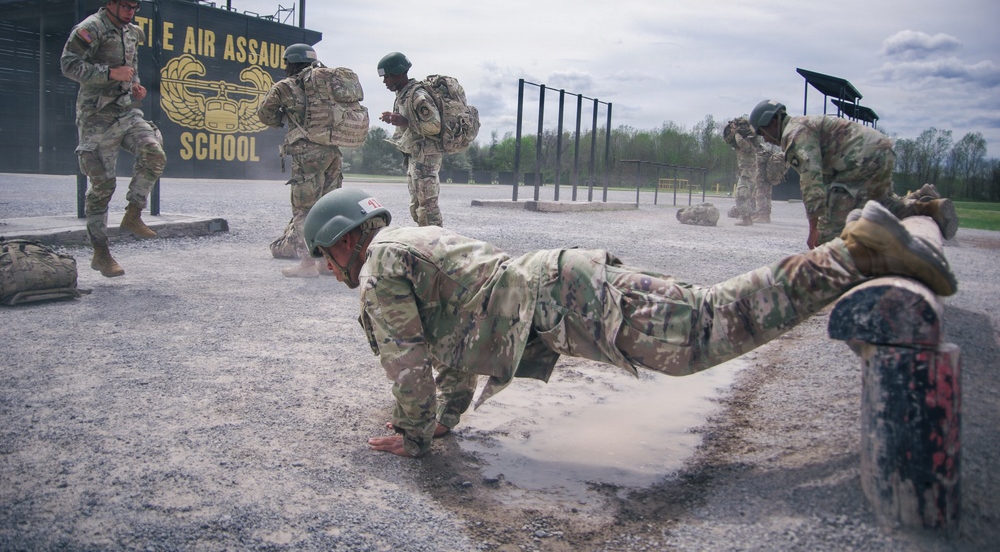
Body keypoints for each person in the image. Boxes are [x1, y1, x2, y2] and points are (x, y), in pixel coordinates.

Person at [303, 187, 957, 458]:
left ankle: (855, 251)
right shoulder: (407, 244)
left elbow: (408, 361)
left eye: (323, 253)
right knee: (704, 322)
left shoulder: (381, 268)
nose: (328, 267)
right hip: (566, 288)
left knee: (701, 331)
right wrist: (443, 417)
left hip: (567, 298)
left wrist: (412, 431)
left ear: (340, 242)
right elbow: (451, 355)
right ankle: (858, 256)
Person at [60, 0, 166, 278]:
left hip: (125, 111)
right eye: (126, 6)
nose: (131, 12)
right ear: (110, 2)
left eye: (134, 7)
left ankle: (133, 214)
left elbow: (130, 65)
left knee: (154, 152)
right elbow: (68, 65)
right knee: (102, 186)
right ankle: (101, 253)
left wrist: (134, 85)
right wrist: (111, 73)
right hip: (96, 116)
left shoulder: (134, 32)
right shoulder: (89, 28)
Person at [749, 99, 958, 248]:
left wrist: (814, 228)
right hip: (880, 151)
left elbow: (810, 181)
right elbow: (826, 176)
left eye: (762, 132)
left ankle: (834, 287)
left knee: (828, 232)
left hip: (860, 160)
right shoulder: (802, 124)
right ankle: (929, 206)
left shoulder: (794, 134)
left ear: (772, 122)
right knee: (882, 209)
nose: (765, 139)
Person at [257, 44, 356, 277]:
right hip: (333, 152)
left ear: (290, 63)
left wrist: (284, 117)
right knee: (329, 209)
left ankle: (308, 264)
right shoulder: (329, 83)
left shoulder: (286, 87)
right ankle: (327, 261)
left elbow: (264, 114)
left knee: (304, 210)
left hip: (307, 155)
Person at [376, 52, 444, 227]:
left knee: (428, 208)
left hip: (426, 158)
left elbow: (435, 125)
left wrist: (405, 122)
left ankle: (436, 246)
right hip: (415, 157)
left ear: (399, 74)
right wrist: (394, 118)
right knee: (417, 208)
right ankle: (426, 244)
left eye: (388, 77)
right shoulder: (403, 95)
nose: (385, 82)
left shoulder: (417, 95)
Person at [723, 117, 761, 226]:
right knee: (747, 195)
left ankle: (745, 219)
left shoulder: (746, 142)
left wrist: (736, 133)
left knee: (740, 195)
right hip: (749, 171)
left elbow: (743, 145)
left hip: (747, 172)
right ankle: (747, 218)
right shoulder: (751, 140)